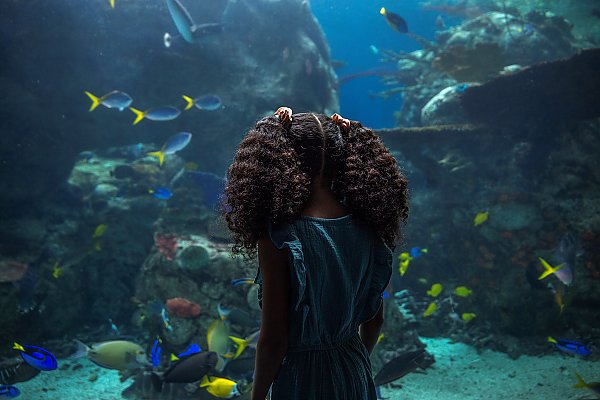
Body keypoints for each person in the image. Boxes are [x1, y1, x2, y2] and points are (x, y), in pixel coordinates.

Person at [222, 107, 409, 399]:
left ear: (281, 160)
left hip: (301, 378)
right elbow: (375, 319)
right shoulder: (370, 224)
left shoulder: (280, 237)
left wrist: (257, 396)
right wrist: (351, 361)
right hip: (354, 367)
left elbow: (274, 338)